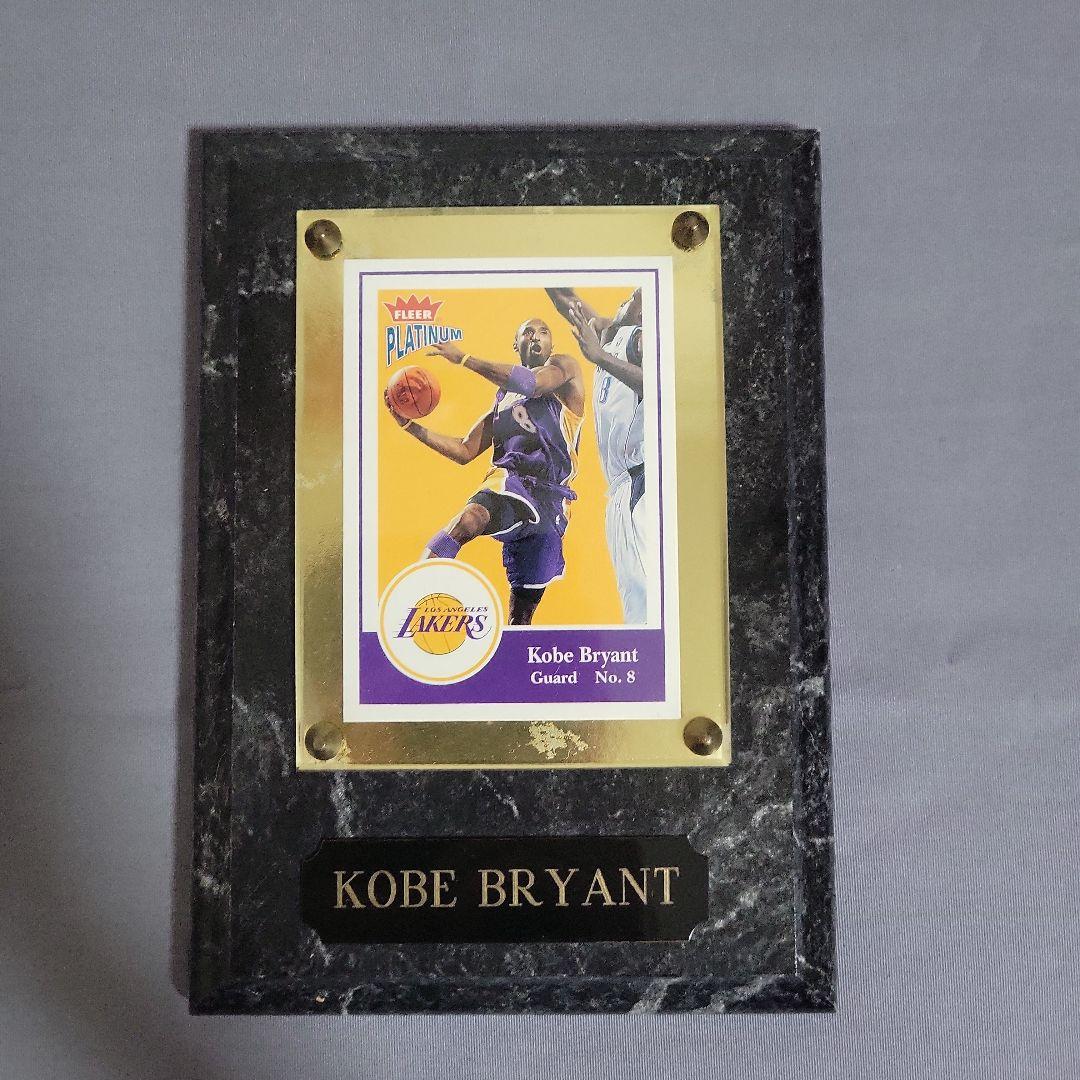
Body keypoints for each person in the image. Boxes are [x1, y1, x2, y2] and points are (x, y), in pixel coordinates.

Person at [384, 318, 585, 625]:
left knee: (521, 616)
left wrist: (464, 358)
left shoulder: (564, 369)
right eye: (528, 332)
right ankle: (408, 598)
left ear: (551, 344)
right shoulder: (504, 399)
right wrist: (410, 427)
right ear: (516, 344)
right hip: (511, 483)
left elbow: (531, 384)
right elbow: (465, 449)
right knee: (471, 518)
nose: (536, 337)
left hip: (552, 502)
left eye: (543, 332)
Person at [546, 287, 647, 624]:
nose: (624, 301)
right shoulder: (608, 336)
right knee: (634, 602)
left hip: (641, 481)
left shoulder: (639, 339)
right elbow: (565, 299)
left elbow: (662, 383)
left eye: (632, 299)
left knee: (645, 602)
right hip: (620, 490)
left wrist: (600, 358)